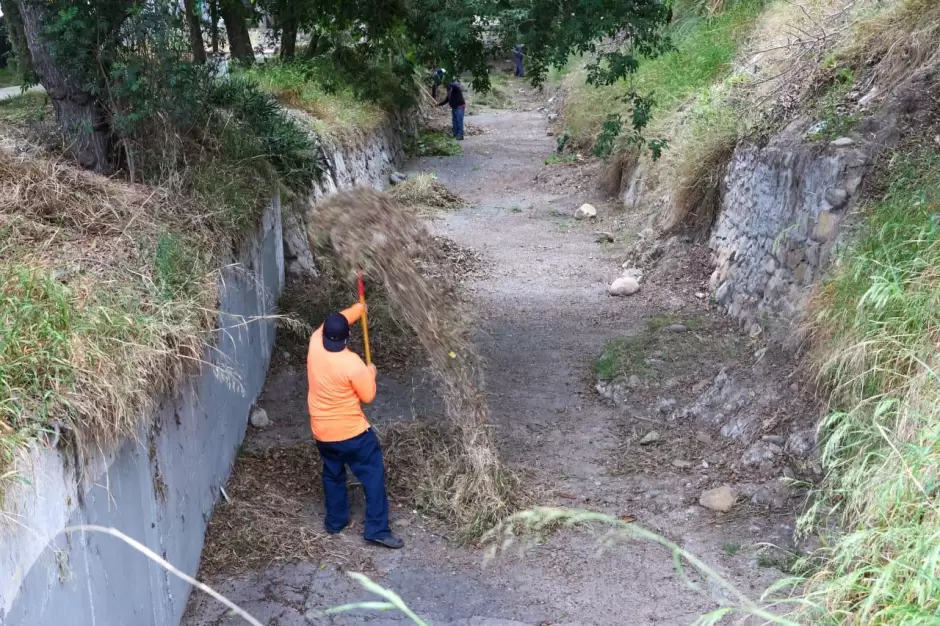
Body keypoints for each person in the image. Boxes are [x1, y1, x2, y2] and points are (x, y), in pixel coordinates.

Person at [306, 303, 403, 549]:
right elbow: (368, 396)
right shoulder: (353, 363)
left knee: (333, 473)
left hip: (322, 432)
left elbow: (338, 318)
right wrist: (370, 372)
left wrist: (358, 309)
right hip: (353, 434)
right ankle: (377, 530)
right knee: (373, 476)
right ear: (347, 337)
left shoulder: (315, 342)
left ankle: (335, 522)